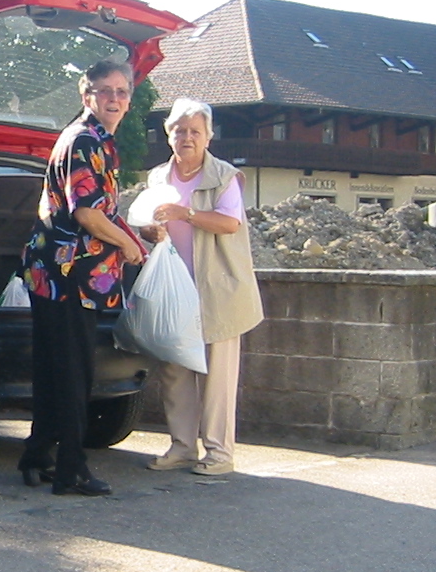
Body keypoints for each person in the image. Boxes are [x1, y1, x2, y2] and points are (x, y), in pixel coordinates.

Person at [18, 60, 149, 496]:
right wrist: (128, 247)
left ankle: (37, 455)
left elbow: (103, 211)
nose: (115, 99)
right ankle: (71, 468)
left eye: (122, 91)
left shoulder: (96, 141)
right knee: (74, 374)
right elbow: (88, 214)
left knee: (56, 370)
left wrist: (132, 235)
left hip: (55, 275)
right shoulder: (85, 141)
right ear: (86, 94)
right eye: (105, 91)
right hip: (68, 277)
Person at [143, 97, 263, 476]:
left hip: (218, 288)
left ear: (209, 136)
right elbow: (148, 223)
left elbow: (230, 224)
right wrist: (149, 230)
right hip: (173, 288)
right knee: (175, 371)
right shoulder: (157, 177)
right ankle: (182, 447)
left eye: (195, 131)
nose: (187, 137)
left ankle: (219, 454)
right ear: (169, 136)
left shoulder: (226, 176)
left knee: (217, 379)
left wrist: (186, 213)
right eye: (180, 130)